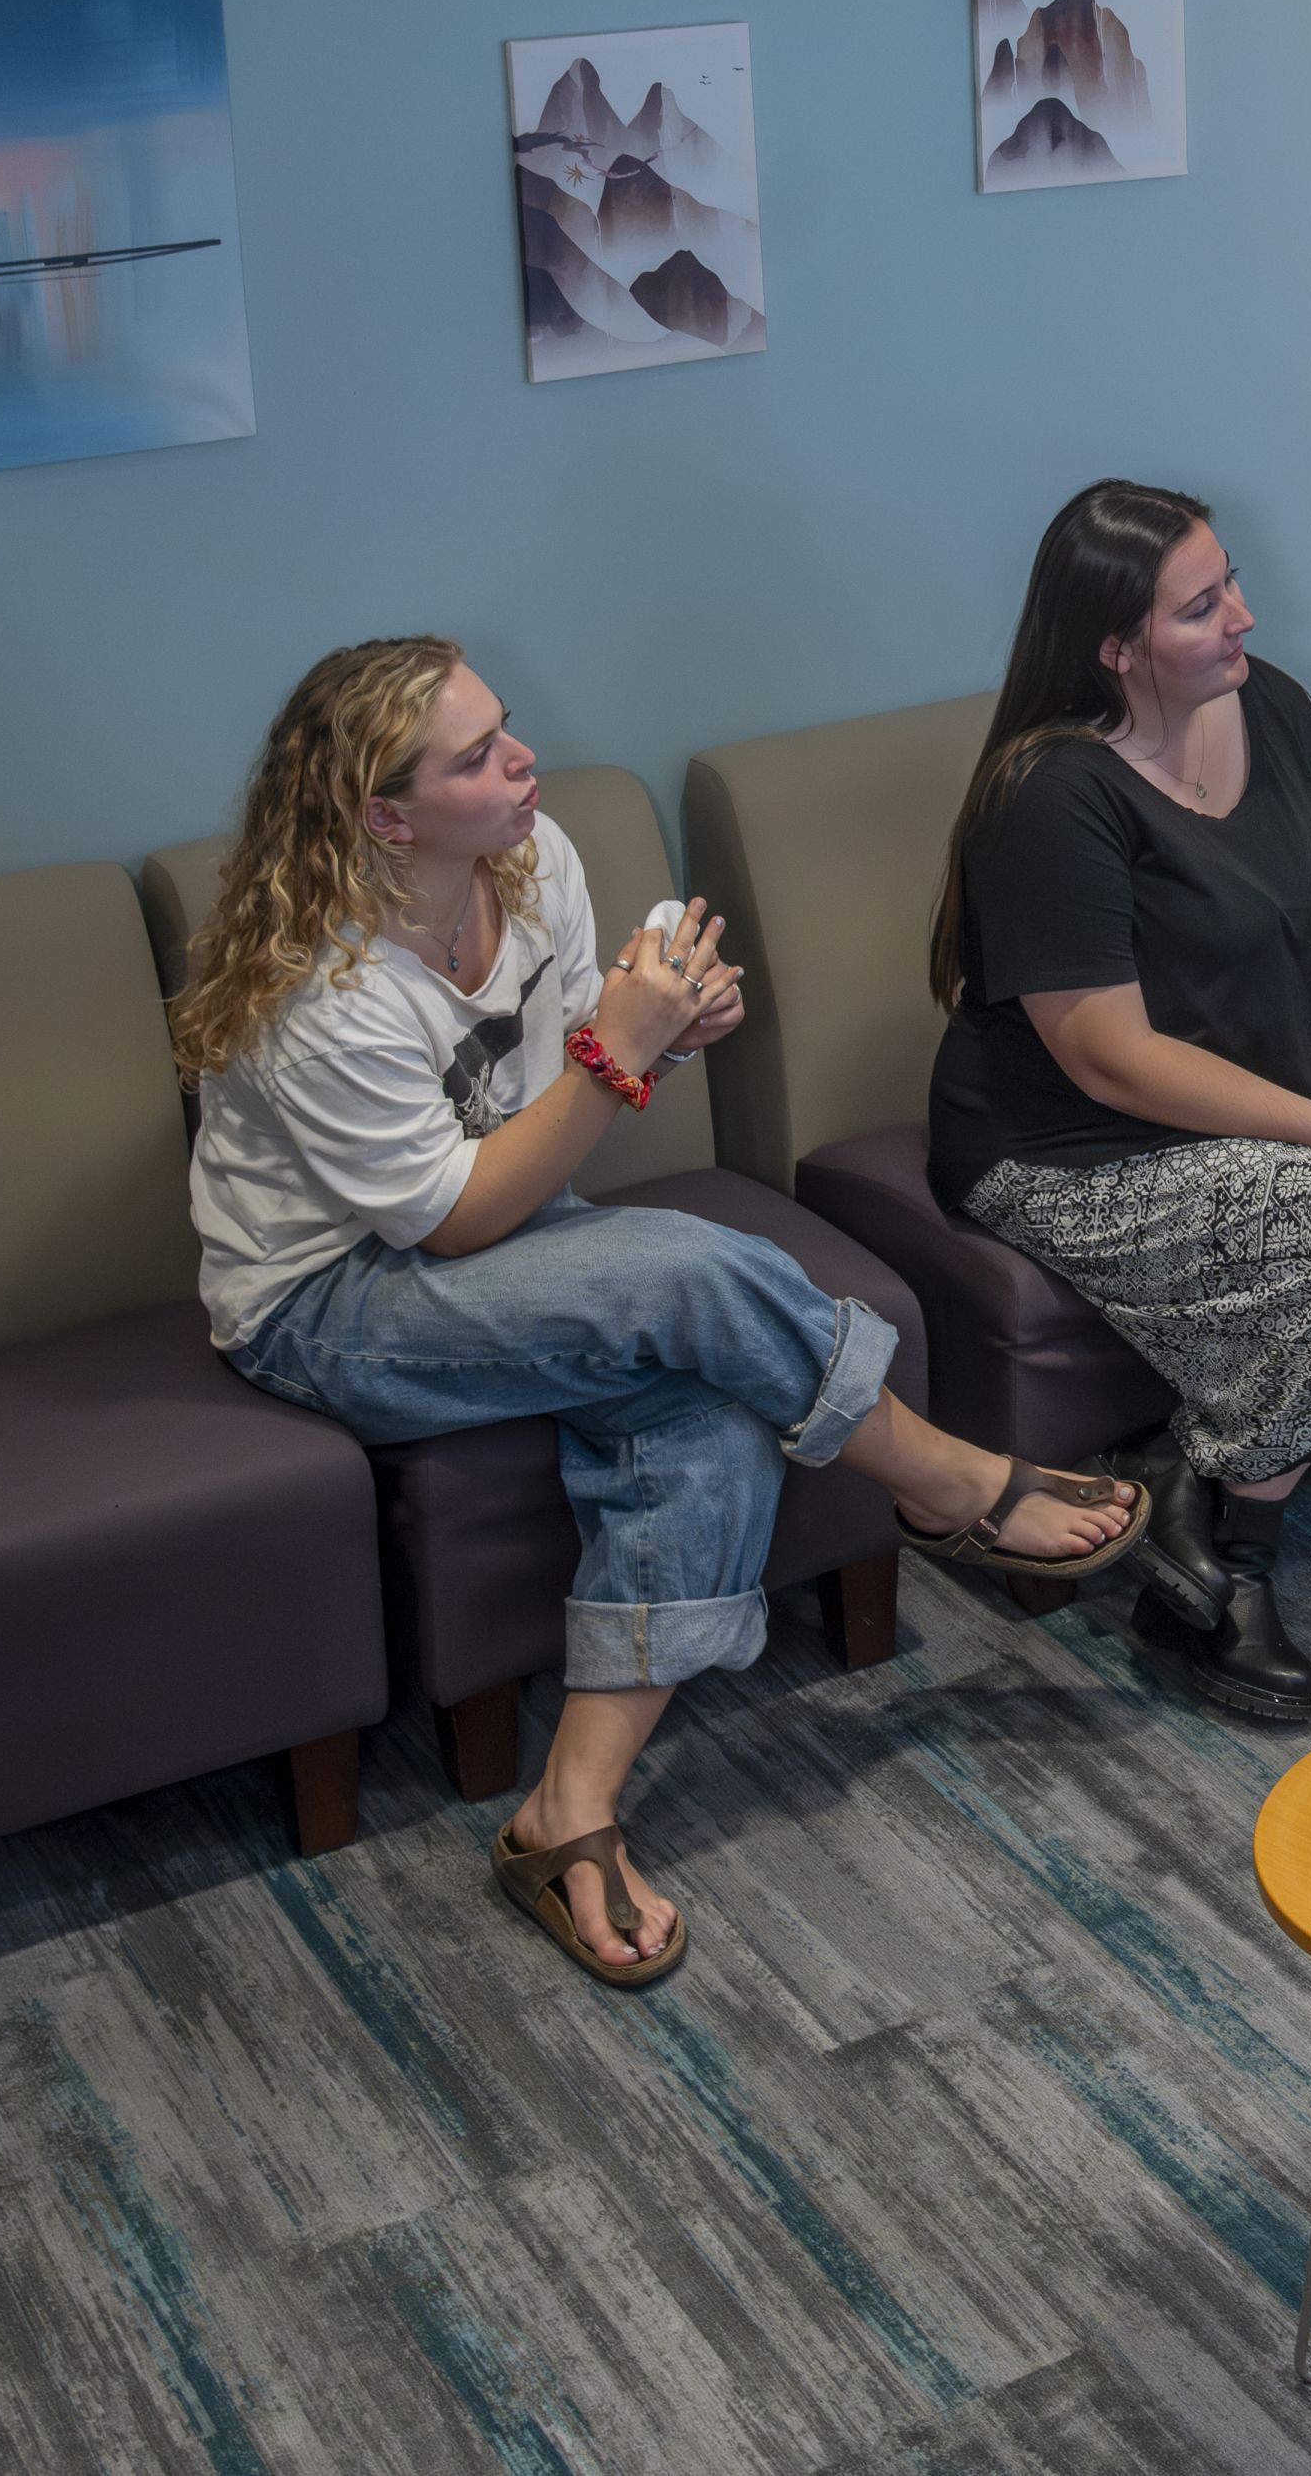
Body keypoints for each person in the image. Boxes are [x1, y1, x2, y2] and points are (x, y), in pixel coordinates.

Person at [179, 636, 1150, 1991]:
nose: (522, 760)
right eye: (477, 757)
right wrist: (618, 1049)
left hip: (519, 1230)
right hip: (330, 1301)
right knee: (696, 1269)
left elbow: (549, 1126)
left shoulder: (535, 862)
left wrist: (669, 1025)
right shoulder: (320, 987)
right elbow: (454, 1216)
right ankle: (941, 1479)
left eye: (504, 728)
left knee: (707, 1404)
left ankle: (564, 1812)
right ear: (382, 814)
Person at [925, 479, 1311, 1728]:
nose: (1244, 618)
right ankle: (1226, 1576)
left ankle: (1185, 1480)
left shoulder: (1273, 708)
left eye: (1231, 586)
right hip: (1076, 1144)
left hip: (1267, 1107)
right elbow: (1107, 1054)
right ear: (1115, 646)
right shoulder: (1053, 794)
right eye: (1202, 605)